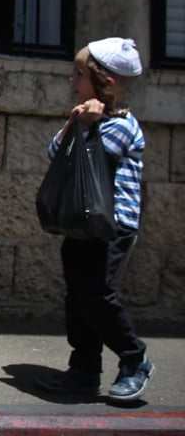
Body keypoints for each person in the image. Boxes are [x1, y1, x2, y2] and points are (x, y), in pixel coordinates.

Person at [36, 37, 152, 403]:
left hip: (112, 226)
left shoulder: (122, 125)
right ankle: (84, 369)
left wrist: (86, 127)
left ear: (106, 82)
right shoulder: (86, 121)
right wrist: (77, 122)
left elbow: (96, 158)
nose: (73, 82)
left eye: (79, 74)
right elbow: (56, 152)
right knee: (78, 297)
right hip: (80, 224)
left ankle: (135, 359)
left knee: (98, 294)